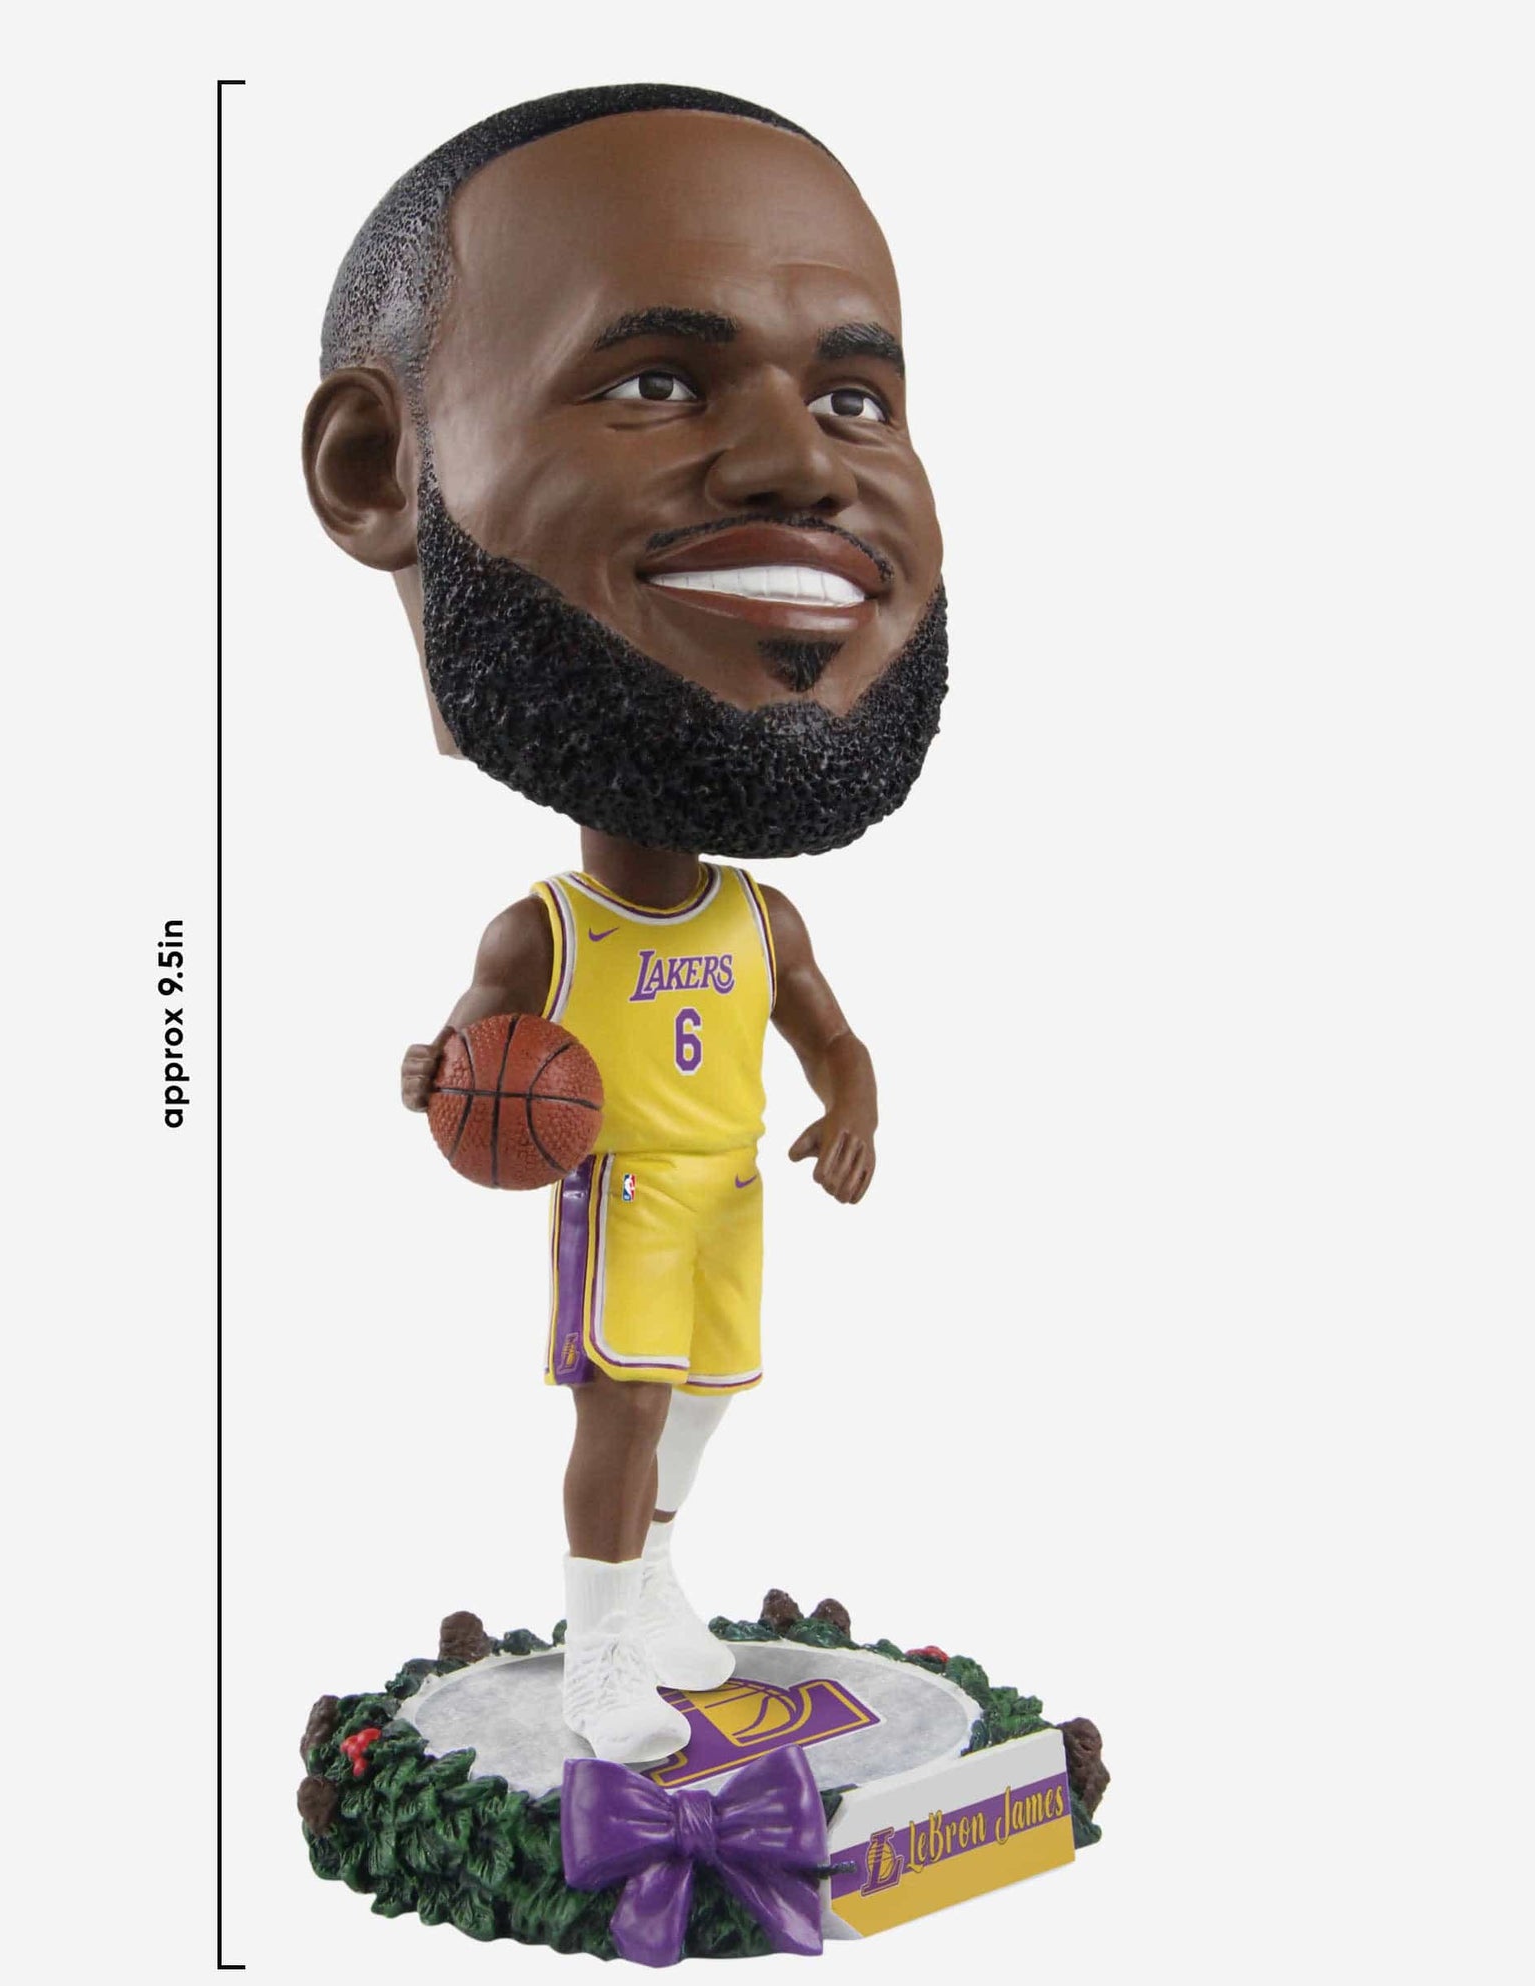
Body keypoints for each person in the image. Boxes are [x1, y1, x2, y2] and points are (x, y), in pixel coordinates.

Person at [303, 84, 949, 1763]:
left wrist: (854, 1102)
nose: (802, 461)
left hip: (729, 1184)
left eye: (857, 398)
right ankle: (600, 1647)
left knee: (714, 1396)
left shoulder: (761, 919)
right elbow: (472, 1043)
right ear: (379, 469)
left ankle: (653, 1582)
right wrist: (445, 1075)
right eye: (656, 381)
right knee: (626, 1403)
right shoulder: (546, 930)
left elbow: (831, 1033)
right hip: (628, 1187)